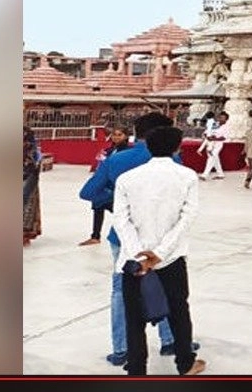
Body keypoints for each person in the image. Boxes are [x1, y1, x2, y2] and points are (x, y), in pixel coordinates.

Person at [82, 112, 194, 366]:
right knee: (167, 288)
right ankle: (170, 341)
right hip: (163, 238)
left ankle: (121, 348)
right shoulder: (174, 162)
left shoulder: (117, 160)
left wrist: (115, 203)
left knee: (122, 291)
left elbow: (89, 192)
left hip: (124, 236)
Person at [112, 125, 205, 377]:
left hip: (133, 261)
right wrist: (160, 253)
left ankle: (137, 369)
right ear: (177, 147)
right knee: (178, 311)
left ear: (147, 146)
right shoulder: (187, 176)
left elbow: (121, 220)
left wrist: (138, 255)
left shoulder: (127, 179)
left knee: (134, 318)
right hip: (171, 259)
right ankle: (185, 362)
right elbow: (187, 217)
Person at [80, 126, 130, 245]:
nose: (116, 137)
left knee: (119, 211)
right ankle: (95, 236)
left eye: (120, 134)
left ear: (126, 136)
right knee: (98, 206)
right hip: (104, 184)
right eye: (114, 134)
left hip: (117, 185)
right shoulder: (109, 150)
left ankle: (129, 235)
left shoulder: (127, 152)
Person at [23, 126, 43, 246]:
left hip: (28, 172)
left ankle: (25, 232)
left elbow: (34, 155)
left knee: (27, 201)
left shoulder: (27, 132)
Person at [200, 111, 228, 180]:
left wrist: (214, 138)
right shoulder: (215, 124)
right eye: (220, 117)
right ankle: (220, 174)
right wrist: (207, 136)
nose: (221, 119)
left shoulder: (226, 127)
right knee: (215, 159)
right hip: (210, 144)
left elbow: (224, 137)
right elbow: (206, 132)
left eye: (223, 118)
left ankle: (204, 175)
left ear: (226, 119)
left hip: (218, 145)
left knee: (211, 158)